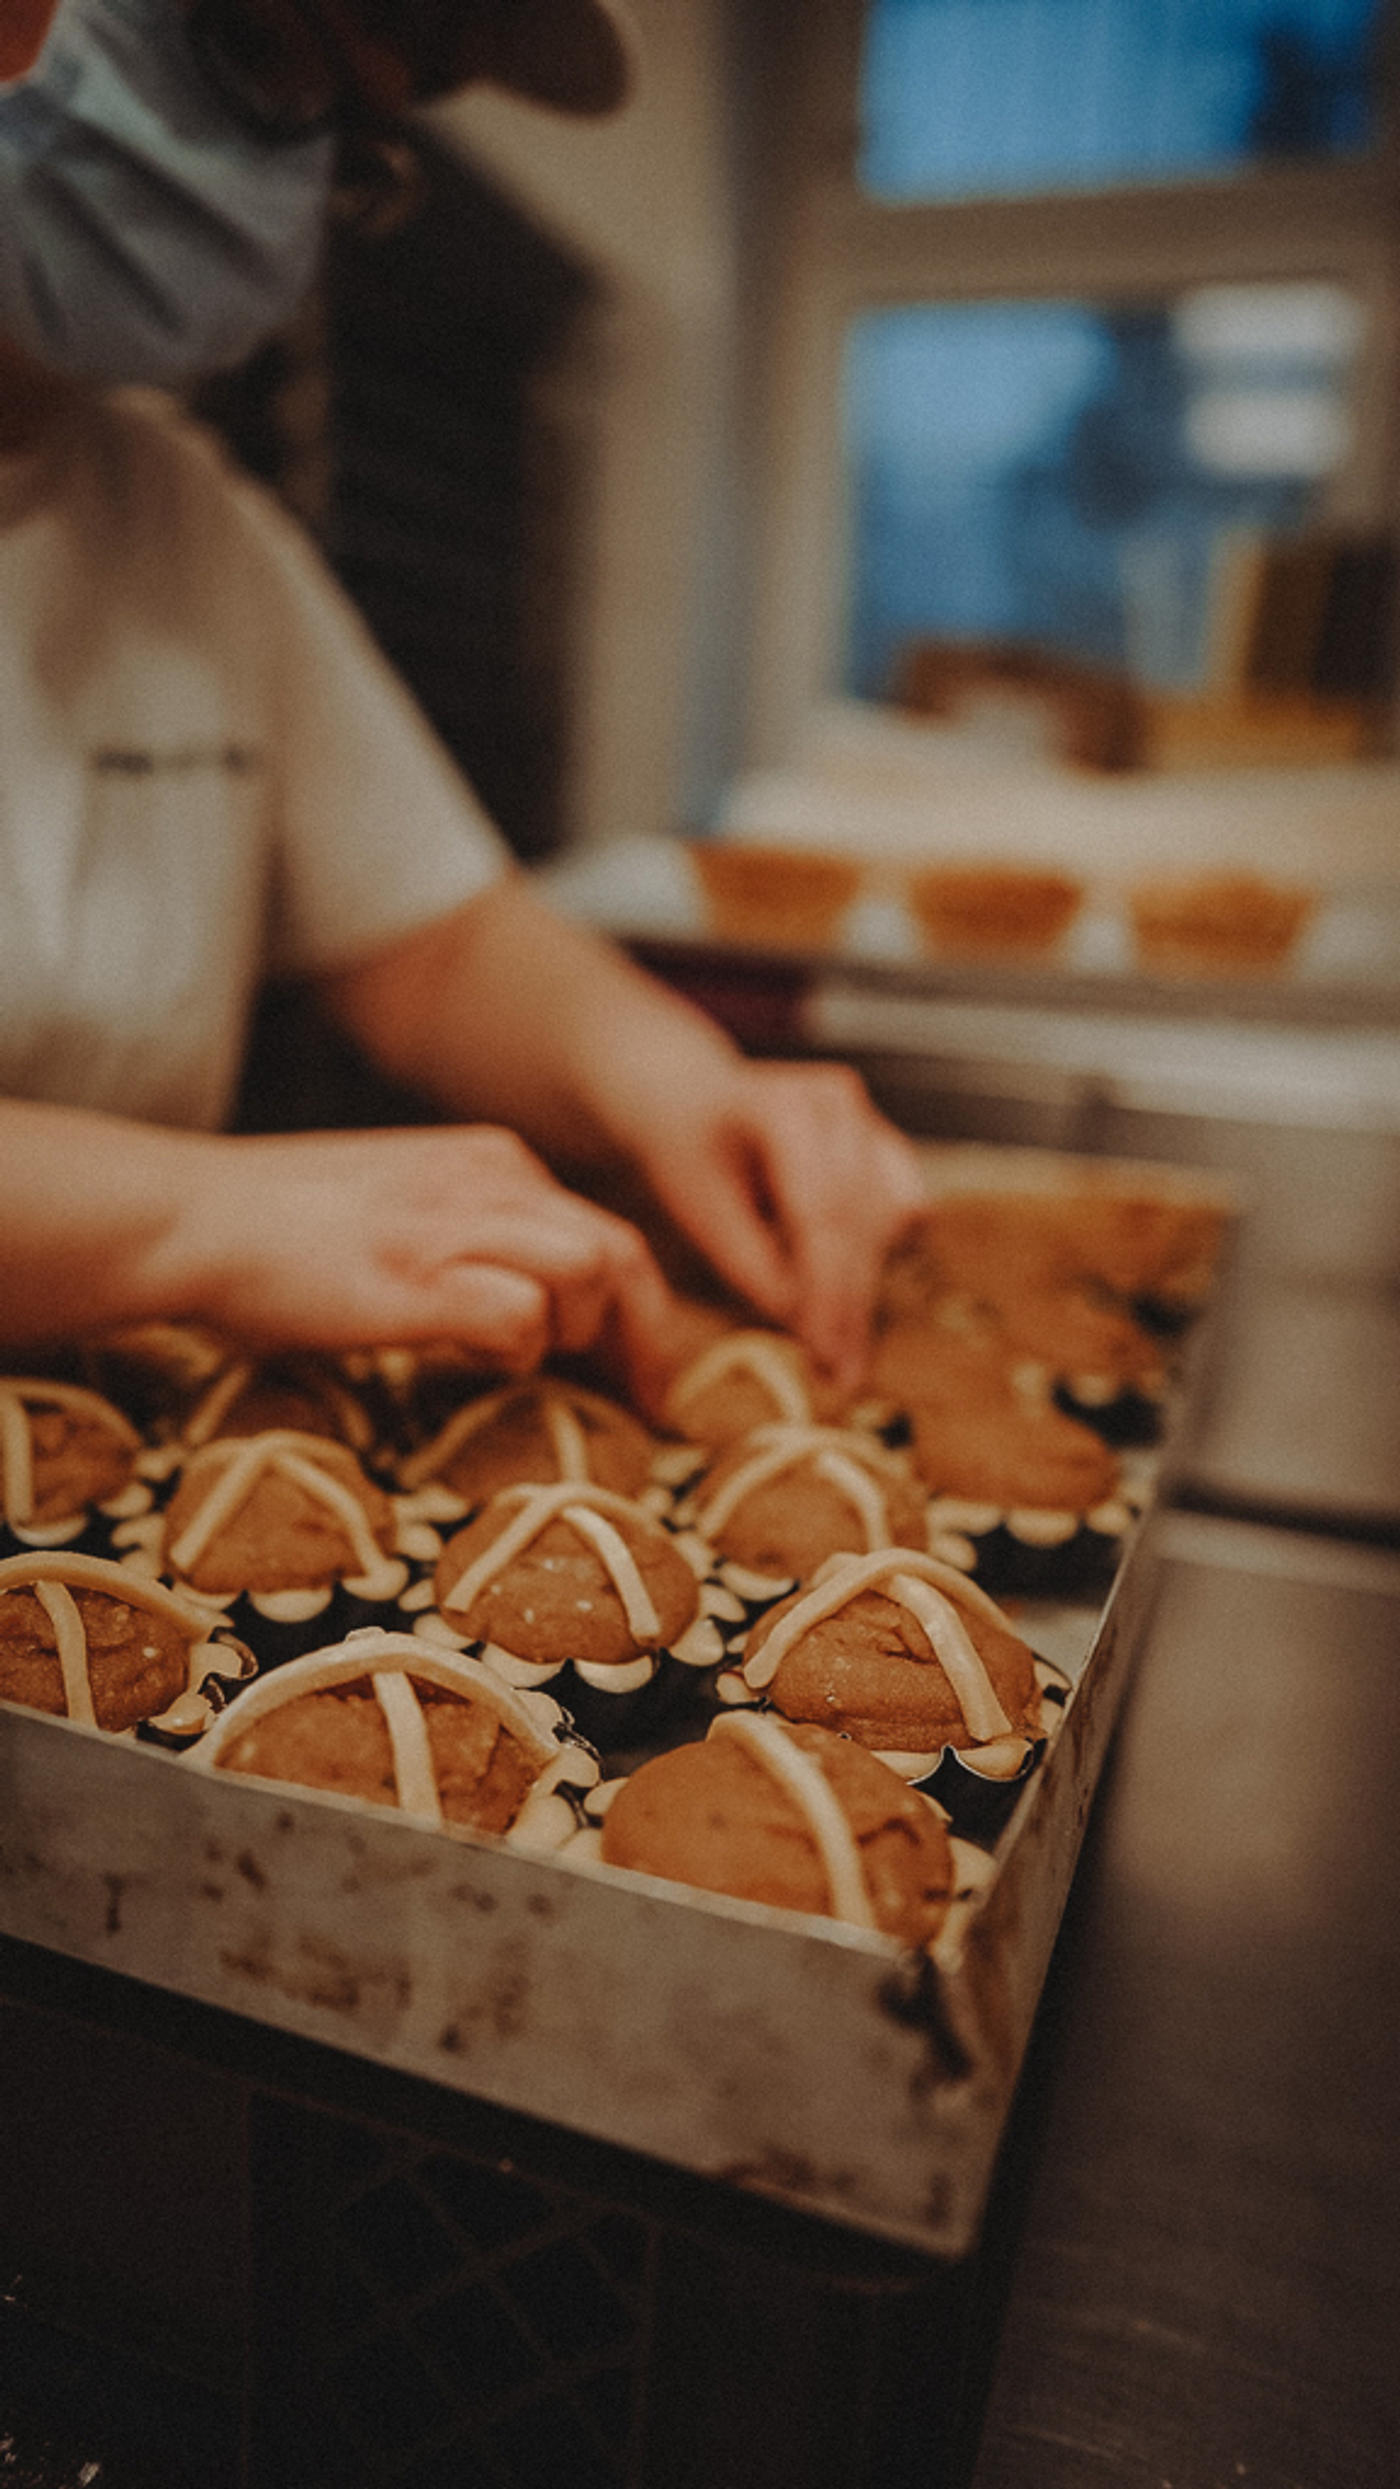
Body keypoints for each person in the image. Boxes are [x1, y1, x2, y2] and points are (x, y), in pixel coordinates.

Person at [0, 0, 924, 1404]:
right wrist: (205, 1216)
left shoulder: (182, 518)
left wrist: (683, 1085)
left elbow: (434, 945)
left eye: (353, 131)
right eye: (252, 55)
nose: (280, 175)